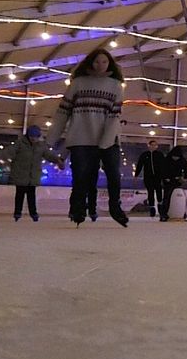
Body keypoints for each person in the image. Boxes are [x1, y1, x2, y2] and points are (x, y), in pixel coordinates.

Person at [46, 48, 129, 227]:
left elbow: (114, 116)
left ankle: (115, 207)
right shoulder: (78, 83)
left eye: (104, 62)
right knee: (81, 176)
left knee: (114, 175)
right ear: (91, 63)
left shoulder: (115, 86)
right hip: (81, 138)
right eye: (97, 62)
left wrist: (105, 142)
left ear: (110, 64)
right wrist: (50, 140)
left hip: (108, 140)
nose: (100, 65)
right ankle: (77, 209)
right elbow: (62, 112)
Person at [10, 125, 65, 222]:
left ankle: (33, 214)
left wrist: (58, 160)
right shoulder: (20, 144)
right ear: (28, 135)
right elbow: (9, 152)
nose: (33, 139)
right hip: (21, 174)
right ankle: (17, 213)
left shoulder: (41, 146)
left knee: (31, 195)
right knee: (19, 194)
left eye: (35, 137)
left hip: (33, 175)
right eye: (31, 136)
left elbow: (49, 155)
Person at [157, 146, 187, 222]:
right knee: (167, 197)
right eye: (174, 157)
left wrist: (186, 178)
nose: (175, 158)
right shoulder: (166, 160)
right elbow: (162, 170)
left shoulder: (182, 160)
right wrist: (165, 178)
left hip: (177, 180)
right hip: (168, 181)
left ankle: (182, 213)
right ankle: (164, 214)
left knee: (180, 196)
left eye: (177, 157)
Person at [135, 139, 164, 217]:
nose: (153, 146)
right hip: (148, 177)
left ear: (157, 146)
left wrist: (164, 176)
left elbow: (164, 165)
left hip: (158, 177)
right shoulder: (144, 155)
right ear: (149, 146)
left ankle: (161, 207)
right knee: (150, 192)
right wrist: (136, 175)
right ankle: (152, 208)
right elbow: (140, 165)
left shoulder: (159, 155)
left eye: (155, 145)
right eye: (152, 145)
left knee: (159, 192)